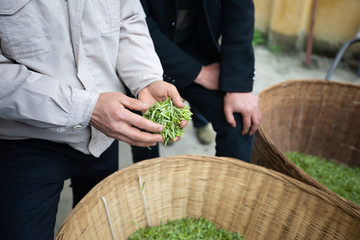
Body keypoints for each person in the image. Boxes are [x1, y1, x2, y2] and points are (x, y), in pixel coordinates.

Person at [0, 1, 187, 239]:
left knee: (98, 228)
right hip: (25, 137)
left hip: (106, 133)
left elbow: (128, 21)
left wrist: (146, 79)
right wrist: (87, 108)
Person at [130, 0, 262, 163]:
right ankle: (146, 177)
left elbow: (239, 8)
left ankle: (228, 183)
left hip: (198, 47)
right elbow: (133, 23)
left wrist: (238, 86)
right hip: (145, 54)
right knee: (144, 121)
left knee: (238, 119)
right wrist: (200, 74)